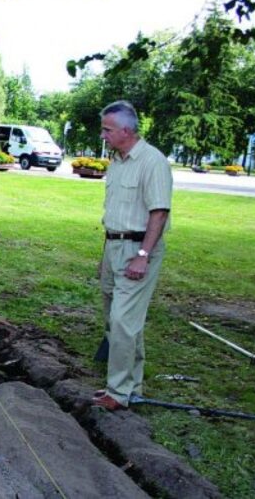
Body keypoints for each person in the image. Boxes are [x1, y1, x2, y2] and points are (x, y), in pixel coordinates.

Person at [92, 100, 173, 410]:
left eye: (108, 129)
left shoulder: (152, 162)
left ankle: (118, 392)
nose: (103, 135)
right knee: (119, 322)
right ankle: (131, 384)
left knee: (123, 320)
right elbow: (113, 215)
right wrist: (105, 255)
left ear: (127, 130)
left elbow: (160, 212)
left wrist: (142, 255)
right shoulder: (118, 162)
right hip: (114, 246)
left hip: (139, 248)